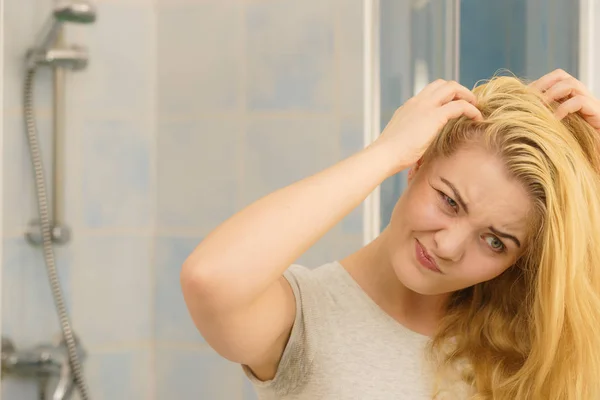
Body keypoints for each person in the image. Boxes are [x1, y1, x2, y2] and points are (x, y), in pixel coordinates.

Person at [180, 69, 600, 399]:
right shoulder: (305, 319)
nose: (449, 246)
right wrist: (384, 152)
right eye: (449, 201)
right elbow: (211, 278)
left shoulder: (530, 347)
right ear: (417, 164)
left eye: (495, 242)